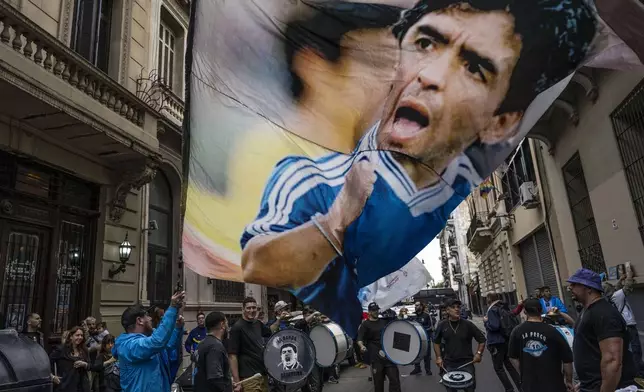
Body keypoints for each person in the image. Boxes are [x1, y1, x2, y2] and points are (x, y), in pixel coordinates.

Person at [240, 0, 597, 335]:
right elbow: (257, 262)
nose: (431, 76)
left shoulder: (463, 183)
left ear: (500, 121)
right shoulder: (313, 178)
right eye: (426, 43)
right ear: (397, 62)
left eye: (474, 67)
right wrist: (338, 217)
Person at [567, 268, 637, 391]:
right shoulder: (587, 311)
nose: (570, 287)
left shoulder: (604, 313)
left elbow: (612, 360)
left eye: (574, 284)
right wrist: (585, 383)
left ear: (589, 288)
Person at [114, 291, 186, 392]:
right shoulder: (129, 345)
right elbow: (157, 342)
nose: (151, 318)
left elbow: (168, 344)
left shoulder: (149, 337)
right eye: (147, 316)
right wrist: (172, 307)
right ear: (139, 320)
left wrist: (177, 327)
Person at [508, 299, 574, 392]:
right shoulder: (552, 331)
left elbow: (512, 357)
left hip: (529, 385)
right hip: (554, 385)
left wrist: (522, 372)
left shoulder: (517, 331)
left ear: (525, 312)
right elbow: (567, 360)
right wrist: (569, 381)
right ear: (541, 311)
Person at [434, 299, 486, 392]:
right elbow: (436, 342)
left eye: (458, 307)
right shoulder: (442, 325)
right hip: (449, 364)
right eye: (453, 307)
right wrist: (438, 357)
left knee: (470, 389)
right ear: (447, 310)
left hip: (467, 363)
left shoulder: (468, 324)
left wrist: (478, 354)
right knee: (450, 389)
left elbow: (482, 340)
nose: (457, 309)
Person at [603, 270, 644, 376]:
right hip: (629, 324)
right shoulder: (617, 296)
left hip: (623, 325)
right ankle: (638, 371)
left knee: (629, 349)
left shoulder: (610, 298)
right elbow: (627, 288)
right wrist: (629, 276)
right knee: (635, 348)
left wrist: (620, 280)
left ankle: (635, 368)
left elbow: (616, 289)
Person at [228, 297, 271, 392]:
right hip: (248, 378)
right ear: (243, 309)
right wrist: (237, 382)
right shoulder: (237, 328)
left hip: (262, 375)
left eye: (254, 307)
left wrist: (279, 320)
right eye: (248, 308)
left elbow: (271, 331)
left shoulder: (258, 324)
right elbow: (232, 356)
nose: (252, 310)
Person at [357, 302, 401, 392]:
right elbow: (359, 339)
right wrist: (361, 346)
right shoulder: (365, 324)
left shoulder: (384, 321)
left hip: (388, 356)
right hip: (376, 358)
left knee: (395, 380)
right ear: (369, 312)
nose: (376, 312)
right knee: (378, 384)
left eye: (377, 310)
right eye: (373, 310)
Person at [484, 293, 520, 392]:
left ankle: (509, 389)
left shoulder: (492, 310)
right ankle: (520, 386)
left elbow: (494, 326)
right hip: (505, 340)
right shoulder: (502, 307)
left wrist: (486, 322)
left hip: (496, 342)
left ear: (489, 299)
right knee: (509, 366)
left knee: (498, 368)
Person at [50, 326, 102, 392]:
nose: (80, 337)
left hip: (82, 386)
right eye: (77, 335)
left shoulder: (84, 350)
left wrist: (85, 364)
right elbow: (47, 362)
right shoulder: (61, 350)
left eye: (81, 335)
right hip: (65, 385)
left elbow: (90, 366)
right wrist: (52, 377)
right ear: (71, 336)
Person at [194, 312, 232, 392]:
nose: (228, 327)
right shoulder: (215, 346)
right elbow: (215, 379)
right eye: (227, 323)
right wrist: (226, 388)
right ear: (222, 325)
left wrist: (229, 383)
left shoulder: (201, 344)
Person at [411, 302, 434, 376]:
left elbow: (431, 327)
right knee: (415, 354)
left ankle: (428, 370)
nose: (416, 307)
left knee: (427, 355)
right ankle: (417, 369)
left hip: (425, 339)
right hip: (415, 339)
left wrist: (422, 330)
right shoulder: (412, 315)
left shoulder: (427, 315)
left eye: (417, 305)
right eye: (415, 305)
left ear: (421, 306)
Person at [186, 312, 208, 384]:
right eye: (199, 318)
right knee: (197, 381)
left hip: (208, 360)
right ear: (197, 321)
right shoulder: (193, 332)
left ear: (205, 319)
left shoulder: (209, 330)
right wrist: (190, 351)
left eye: (202, 318)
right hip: (197, 361)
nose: (201, 320)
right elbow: (187, 344)